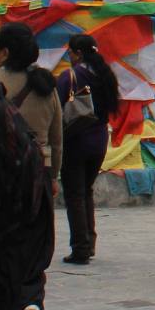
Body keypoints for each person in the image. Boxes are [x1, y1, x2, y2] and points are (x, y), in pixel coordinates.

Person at [0, 23, 59, 310]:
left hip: (4, 178)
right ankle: (32, 303)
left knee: (1, 251)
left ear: (4, 52)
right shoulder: (47, 86)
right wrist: (55, 175)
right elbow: (58, 136)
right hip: (41, 174)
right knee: (36, 246)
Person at [58, 33, 120, 265]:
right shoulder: (105, 76)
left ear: (78, 53)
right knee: (86, 190)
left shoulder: (71, 76)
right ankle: (89, 241)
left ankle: (80, 247)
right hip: (99, 138)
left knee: (74, 193)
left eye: (71, 53)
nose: (69, 57)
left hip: (76, 140)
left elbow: (56, 104)